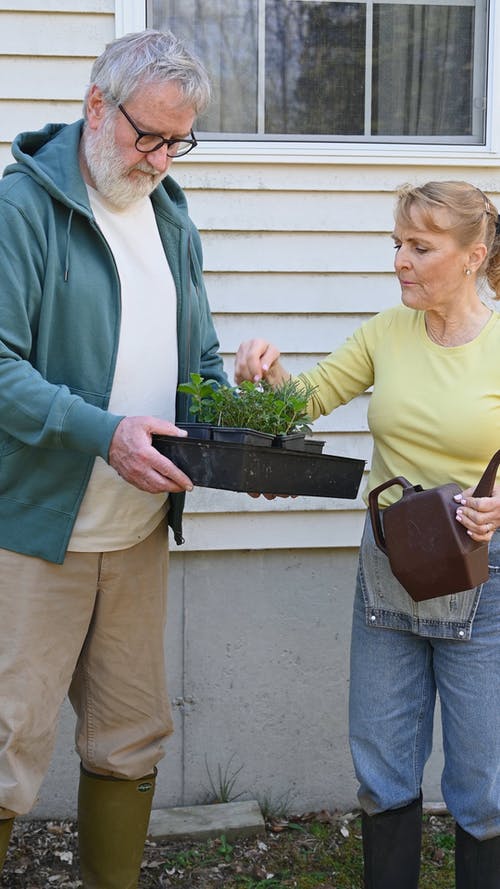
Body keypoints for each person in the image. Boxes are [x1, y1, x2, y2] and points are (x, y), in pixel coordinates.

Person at [0, 28, 228, 888]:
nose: (163, 158)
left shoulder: (170, 216)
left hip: (135, 533)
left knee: (130, 734)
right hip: (33, 530)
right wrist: (107, 432)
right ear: (97, 106)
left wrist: (241, 430)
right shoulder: (21, 210)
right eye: (150, 135)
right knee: (6, 742)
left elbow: (197, 362)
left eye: (180, 140)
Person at [234, 181, 500, 889]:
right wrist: (266, 370)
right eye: (396, 244)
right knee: (383, 763)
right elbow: (304, 402)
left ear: (473, 255)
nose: (400, 261)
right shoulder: (387, 331)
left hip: (486, 577)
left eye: (419, 246)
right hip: (390, 564)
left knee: (484, 782)